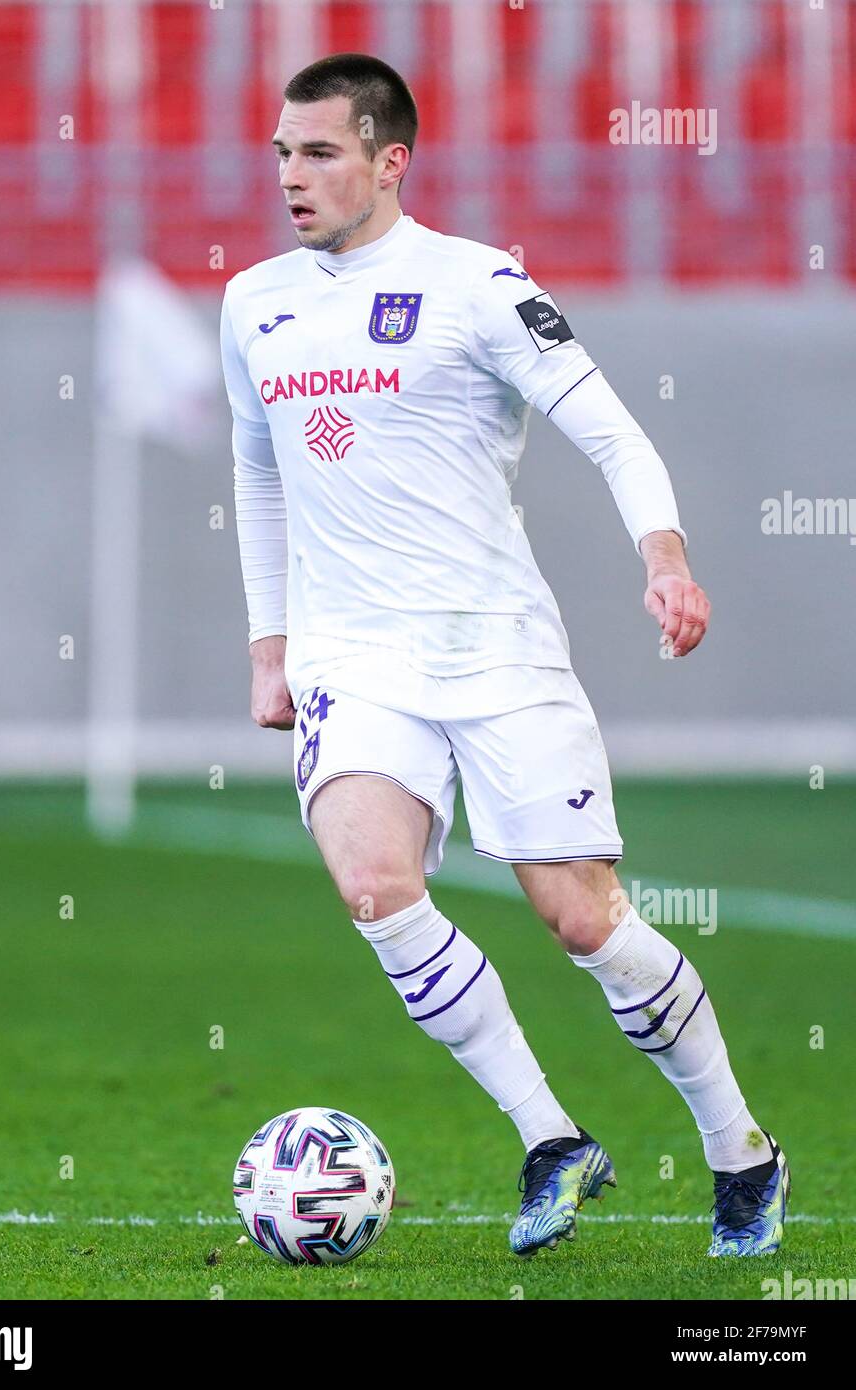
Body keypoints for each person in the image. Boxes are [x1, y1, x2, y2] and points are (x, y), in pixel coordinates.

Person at [219, 52, 789, 1258]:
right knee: (374, 883)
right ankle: (551, 1139)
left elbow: (612, 431)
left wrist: (667, 559)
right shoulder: (254, 303)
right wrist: (273, 647)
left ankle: (740, 1148)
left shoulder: (478, 285)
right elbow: (258, 474)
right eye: (281, 151)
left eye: (319, 151)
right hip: (353, 659)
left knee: (583, 921)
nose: (291, 176)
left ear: (390, 160)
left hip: (496, 652)